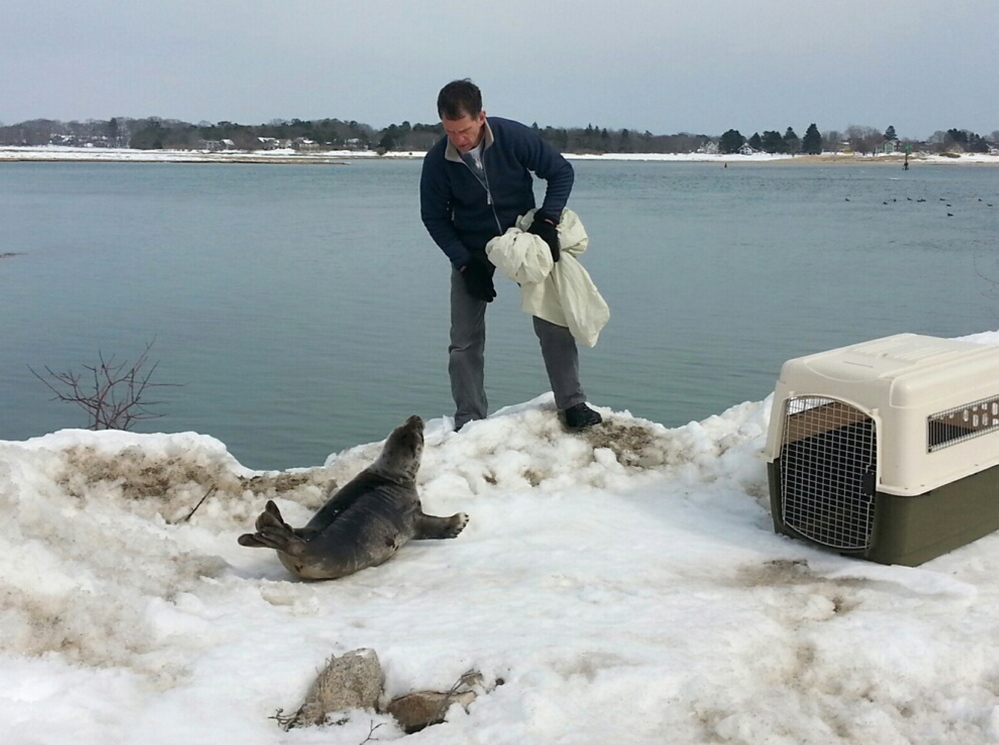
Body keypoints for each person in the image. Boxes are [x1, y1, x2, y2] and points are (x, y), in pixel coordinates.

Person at [420, 79, 603, 432]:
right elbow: (434, 217)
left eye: (464, 130)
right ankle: (470, 420)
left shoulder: (512, 137)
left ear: (481, 117)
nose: (458, 140)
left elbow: (561, 172)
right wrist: (463, 261)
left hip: (522, 237)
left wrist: (547, 221)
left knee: (554, 320)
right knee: (463, 341)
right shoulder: (437, 161)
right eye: (449, 131)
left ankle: (572, 403)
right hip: (472, 248)